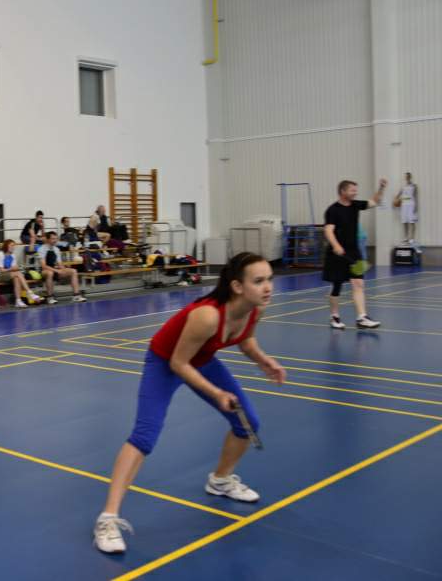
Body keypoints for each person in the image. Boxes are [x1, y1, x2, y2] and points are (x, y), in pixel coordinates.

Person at [93, 252, 285, 554]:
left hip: (202, 359)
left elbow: (245, 340)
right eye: (259, 281)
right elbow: (178, 364)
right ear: (237, 286)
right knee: (144, 436)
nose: (268, 287)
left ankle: (220, 480)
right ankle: (107, 519)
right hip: (165, 361)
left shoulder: (255, 309)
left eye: (269, 279)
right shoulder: (207, 316)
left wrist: (263, 361)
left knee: (247, 422)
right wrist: (217, 393)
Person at [323, 178, 386, 330]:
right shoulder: (332, 210)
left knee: (358, 283)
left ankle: (362, 317)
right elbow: (328, 230)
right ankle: (334, 316)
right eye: (352, 190)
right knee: (337, 286)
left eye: (355, 190)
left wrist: (381, 188)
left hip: (354, 251)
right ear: (343, 191)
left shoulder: (356, 205)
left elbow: (374, 202)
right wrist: (336, 245)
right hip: (336, 254)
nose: (355, 193)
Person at [37, 231, 86, 304]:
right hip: (44, 271)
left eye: (56, 239)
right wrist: (57, 271)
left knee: (73, 271)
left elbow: (59, 264)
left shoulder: (56, 249)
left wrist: (63, 269)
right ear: (47, 239)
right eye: (53, 239)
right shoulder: (41, 249)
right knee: (50, 273)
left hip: (55, 269)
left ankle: (76, 295)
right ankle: (50, 297)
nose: (55, 240)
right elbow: (44, 266)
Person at [0, 239, 42, 308]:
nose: (13, 247)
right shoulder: (0, 255)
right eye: (11, 245)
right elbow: (1, 270)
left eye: (14, 246)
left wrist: (16, 268)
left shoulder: (12, 255)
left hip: (10, 274)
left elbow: (14, 268)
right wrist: (11, 269)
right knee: (17, 274)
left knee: (17, 278)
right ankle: (30, 292)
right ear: (6, 246)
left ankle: (18, 301)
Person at [394, 172, 418, 244]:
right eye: (406, 177)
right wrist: (396, 201)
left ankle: (412, 238)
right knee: (405, 221)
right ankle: (406, 238)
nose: (406, 178)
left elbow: (415, 197)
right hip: (404, 204)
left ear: (410, 177)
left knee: (412, 221)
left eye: (408, 176)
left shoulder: (414, 186)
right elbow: (398, 195)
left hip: (411, 204)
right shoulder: (403, 187)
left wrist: (416, 206)